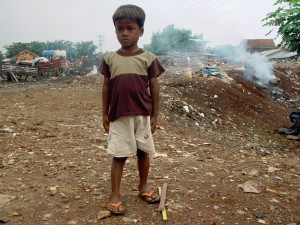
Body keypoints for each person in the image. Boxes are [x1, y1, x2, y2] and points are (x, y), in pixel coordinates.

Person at [99, 4, 165, 215]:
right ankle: (115, 195)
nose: (125, 33)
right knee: (118, 156)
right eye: (120, 29)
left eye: (130, 28)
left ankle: (143, 187)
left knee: (143, 153)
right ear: (115, 30)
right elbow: (106, 86)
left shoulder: (149, 58)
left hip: (142, 115)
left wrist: (154, 115)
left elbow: (154, 87)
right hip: (119, 116)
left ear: (141, 31)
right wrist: (104, 113)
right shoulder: (110, 59)